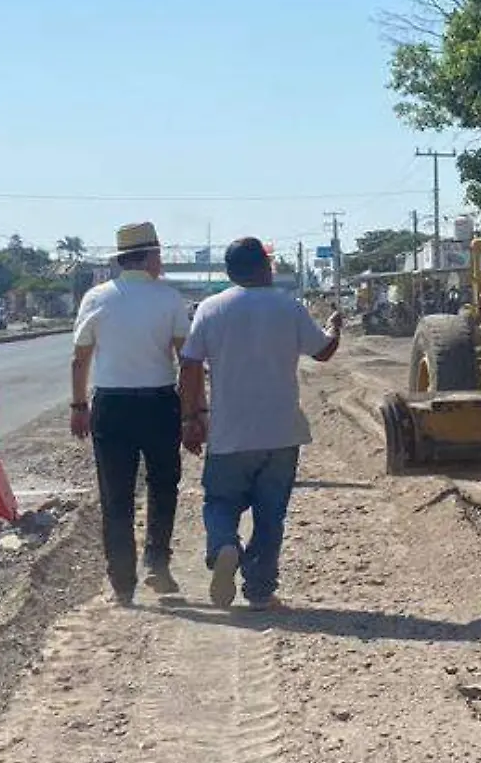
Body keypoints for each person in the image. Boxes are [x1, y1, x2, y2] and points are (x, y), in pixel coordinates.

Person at [178, 236, 340, 609]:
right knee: (270, 516)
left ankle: (223, 546)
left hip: (229, 433)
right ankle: (261, 591)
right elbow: (324, 352)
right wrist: (334, 328)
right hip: (281, 433)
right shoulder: (289, 308)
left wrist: (190, 418)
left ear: (231, 272)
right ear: (265, 267)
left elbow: (189, 366)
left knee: (220, 502)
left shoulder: (210, 310)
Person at [70, 222, 192, 605]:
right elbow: (185, 361)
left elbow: (80, 358)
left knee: (116, 495)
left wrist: (78, 406)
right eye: (159, 254)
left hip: (111, 405)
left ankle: (122, 582)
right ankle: (157, 562)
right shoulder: (170, 299)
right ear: (150, 256)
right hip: (159, 404)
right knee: (163, 485)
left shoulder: (96, 298)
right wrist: (193, 412)